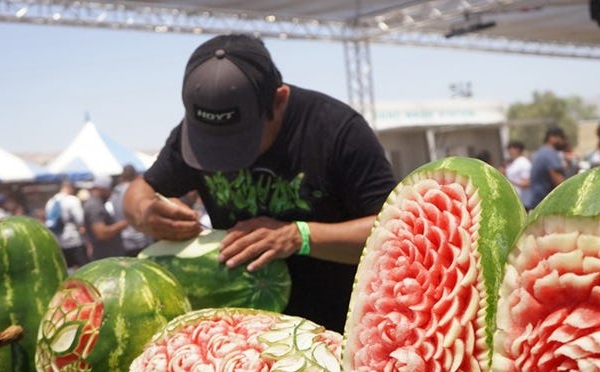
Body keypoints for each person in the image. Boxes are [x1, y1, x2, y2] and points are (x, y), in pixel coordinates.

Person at [123, 34, 397, 333]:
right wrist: (146, 213)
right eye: (211, 146)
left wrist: (300, 236)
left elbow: (394, 233)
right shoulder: (190, 133)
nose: (225, 154)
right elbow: (140, 189)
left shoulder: (338, 131)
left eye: (239, 140)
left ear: (279, 100)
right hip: (241, 335)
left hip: (336, 330)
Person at [46, 179, 89, 271]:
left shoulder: (50, 202)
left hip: (58, 242)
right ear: (69, 188)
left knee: (65, 270)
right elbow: (80, 219)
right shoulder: (72, 200)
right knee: (82, 270)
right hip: (74, 240)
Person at [109, 165, 153, 256]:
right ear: (135, 175)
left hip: (124, 239)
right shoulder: (135, 191)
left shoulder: (115, 192)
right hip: (139, 239)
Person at [84, 175, 127, 260]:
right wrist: (123, 224)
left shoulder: (97, 203)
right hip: (104, 258)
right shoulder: (94, 205)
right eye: (109, 191)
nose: (111, 194)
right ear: (103, 189)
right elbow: (102, 233)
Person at [526, 126, 567, 210]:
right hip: (544, 206)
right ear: (552, 137)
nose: (564, 142)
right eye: (562, 138)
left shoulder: (541, 152)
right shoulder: (550, 154)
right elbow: (559, 183)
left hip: (537, 203)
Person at [503, 140, 532, 210]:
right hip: (515, 201)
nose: (509, 151)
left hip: (523, 203)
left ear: (517, 149)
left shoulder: (523, 163)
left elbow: (527, 183)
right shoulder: (513, 162)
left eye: (510, 148)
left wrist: (507, 180)